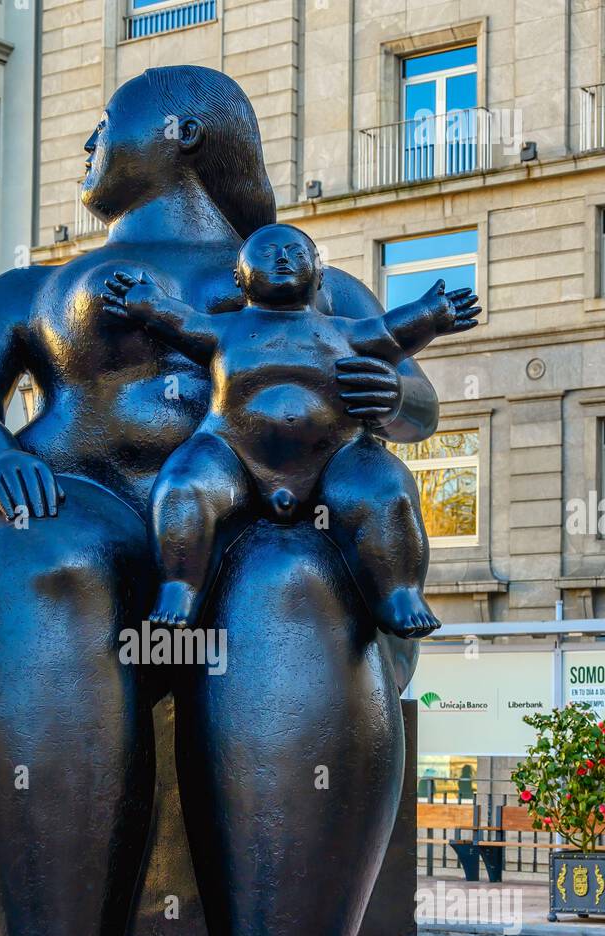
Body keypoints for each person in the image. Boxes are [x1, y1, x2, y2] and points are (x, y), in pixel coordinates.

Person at [0, 66, 441, 936]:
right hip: (75, 502)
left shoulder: (310, 280)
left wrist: (390, 391)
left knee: (291, 589)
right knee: (44, 570)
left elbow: (413, 397)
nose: (83, 151)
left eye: (99, 130)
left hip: (265, 514)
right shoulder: (30, 288)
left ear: (178, 129)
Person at [103, 223, 478, 633]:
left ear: (319, 275)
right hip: (232, 452)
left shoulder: (342, 330)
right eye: (267, 253)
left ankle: (398, 590)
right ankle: (180, 586)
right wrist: (145, 303)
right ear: (239, 277)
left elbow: (390, 330)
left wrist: (432, 314)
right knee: (182, 485)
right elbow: (180, 321)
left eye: (296, 253)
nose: (282, 258)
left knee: (387, 490)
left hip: (337, 454)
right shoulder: (225, 328)